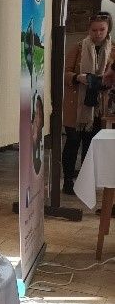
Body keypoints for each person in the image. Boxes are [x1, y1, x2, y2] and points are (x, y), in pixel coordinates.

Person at [61, 11, 114, 195]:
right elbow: (64, 73)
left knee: (90, 145)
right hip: (76, 104)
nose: (98, 33)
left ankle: (85, 182)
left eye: (102, 30)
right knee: (72, 142)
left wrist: (106, 82)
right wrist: (78, 77)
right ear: (88, 30)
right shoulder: (78, 47)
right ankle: (67, 181)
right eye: (94, 30)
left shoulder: (112, 50)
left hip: (98, 105)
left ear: (108, 30)